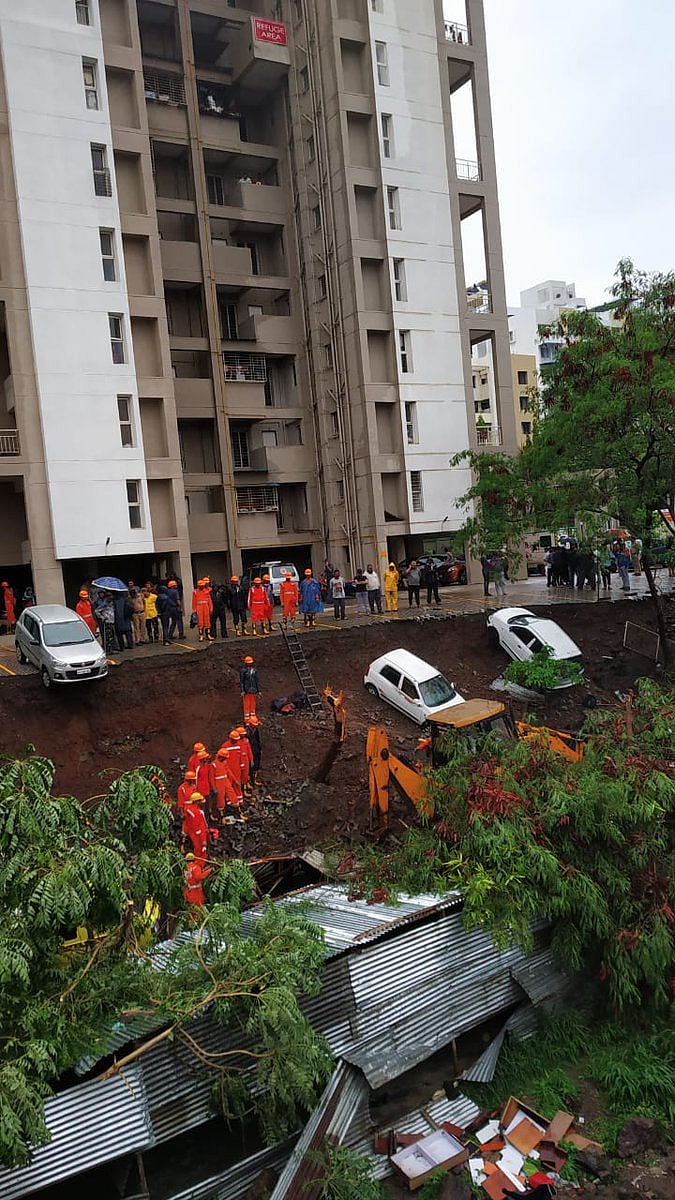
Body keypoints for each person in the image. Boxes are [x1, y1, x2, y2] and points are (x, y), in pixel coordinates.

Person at [212, 747, 238, 821]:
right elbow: (211, 778)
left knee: (231, 793)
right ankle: (221, 816)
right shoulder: (214, 765)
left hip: (225, 780)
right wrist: (214, 787)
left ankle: (236, 811)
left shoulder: (224, 762)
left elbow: (228, 771)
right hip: (218, 782)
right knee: (220, 799)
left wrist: (234, 780)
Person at [181, 792, 209, 860]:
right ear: (197, 802)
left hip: (191, 832)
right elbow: (200, 828)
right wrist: (203, 840)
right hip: (198, 835)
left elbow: (186, 821)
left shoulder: (188, 809)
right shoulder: (197, 813)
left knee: (197, 849)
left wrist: (184, 831)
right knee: (200, 850)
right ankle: (199, 864)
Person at [191, 578, 214, 643]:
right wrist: (194, 609)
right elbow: (194, 601)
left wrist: (211, 608)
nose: (202, 586)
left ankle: (208, 635)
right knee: (200, 622)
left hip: (206, 607)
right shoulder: (195, 592)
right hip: (199, 607)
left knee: (207, 621)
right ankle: (201, 635)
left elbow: (209, 600)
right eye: (201, 585)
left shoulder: (206, 591)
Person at [245, 715, 262, 783]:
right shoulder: (247, 732)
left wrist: (259, 748)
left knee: (256, 764)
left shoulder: (256, 730)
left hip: (256, 749)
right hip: (250, 751)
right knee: (250, 766)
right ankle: (249, 780)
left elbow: (258, 739)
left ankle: (254, 779)